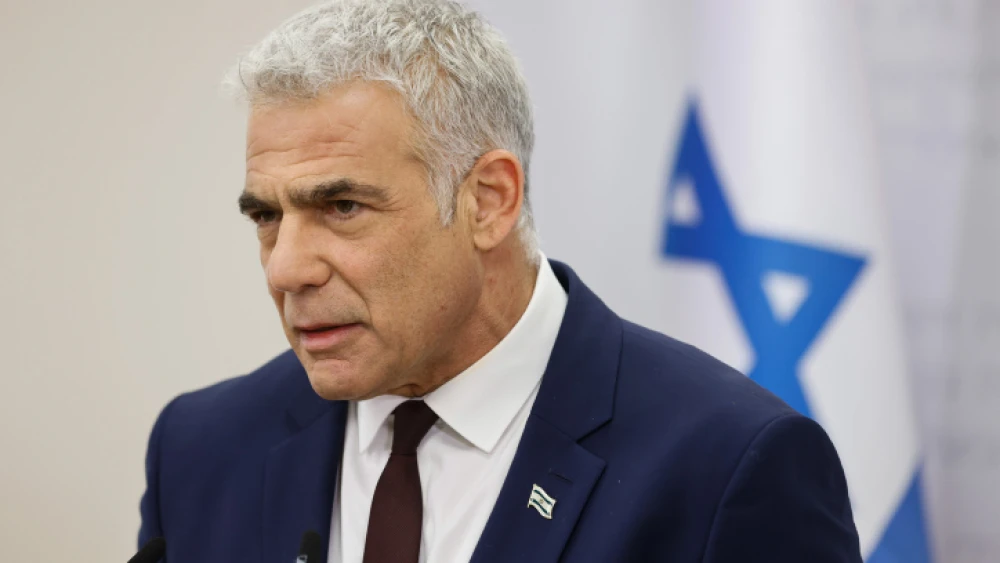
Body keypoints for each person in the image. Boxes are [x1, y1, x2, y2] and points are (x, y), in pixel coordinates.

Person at [137, 0, 863, 561]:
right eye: (266, 215)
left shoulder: (729, 465)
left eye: (343, 206)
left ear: (489, 199)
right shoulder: (201, 449)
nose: (287, 267)